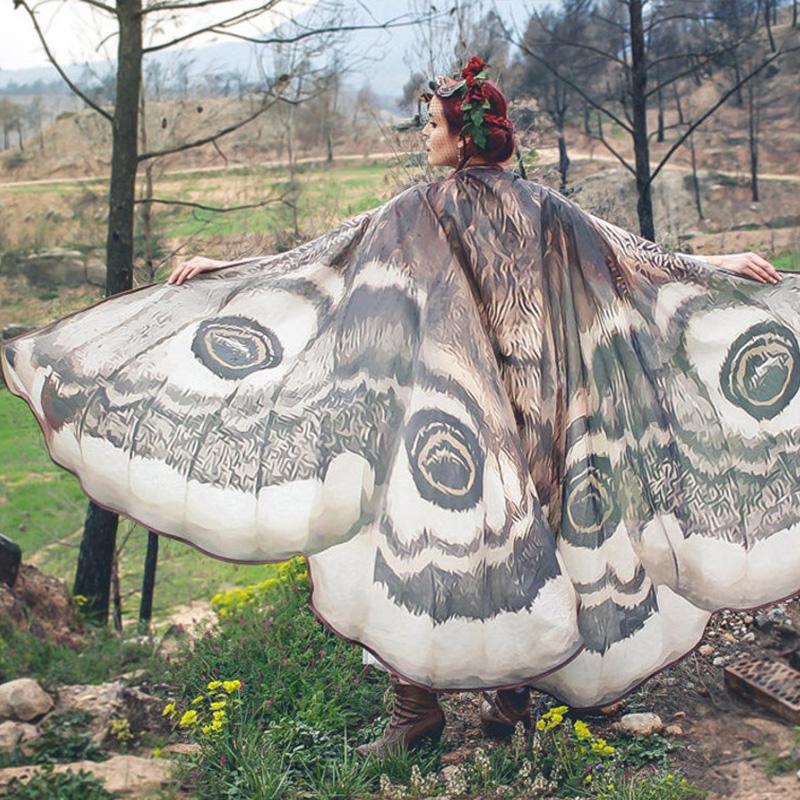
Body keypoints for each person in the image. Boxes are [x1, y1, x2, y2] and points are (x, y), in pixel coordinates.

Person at [2, 56, 797, 762]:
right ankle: (494, 701)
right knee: (538, 545)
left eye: (433, 127)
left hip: (450, 417)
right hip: (537, 411)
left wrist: (234, 270)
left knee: (401, 543)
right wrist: (713, 264)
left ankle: (443, 706)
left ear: (462, 137)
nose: (426, 139)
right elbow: (636, 259)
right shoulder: (544, 207)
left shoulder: (420, 211)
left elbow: (319, 260)